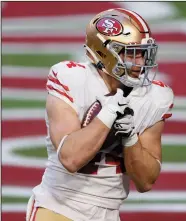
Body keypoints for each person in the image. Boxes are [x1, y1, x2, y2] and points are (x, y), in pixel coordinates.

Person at [26, 8, 174, 221]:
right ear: (104, 52)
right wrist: (110, 112)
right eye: (130, 53)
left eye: (142, 53)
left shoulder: (155, 96)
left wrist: (131, 137)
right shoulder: (71, 78)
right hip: (58, 207)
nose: (140, 63)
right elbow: (70, 158)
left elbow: (146, 181)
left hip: (109, 214)